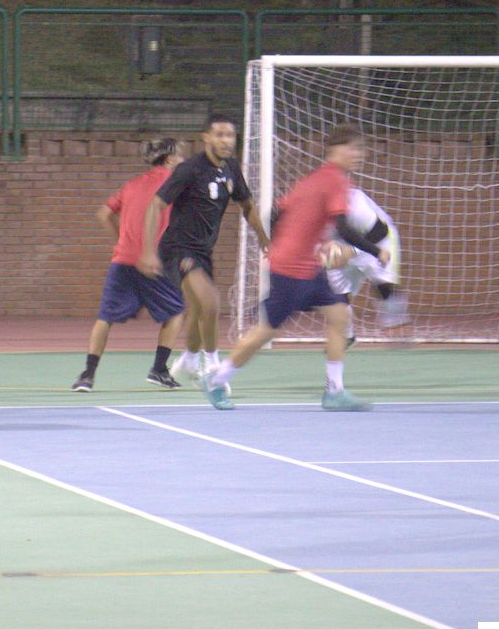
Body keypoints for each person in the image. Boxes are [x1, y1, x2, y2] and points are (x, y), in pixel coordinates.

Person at [202, 124, 390, 411]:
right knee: (266, 331)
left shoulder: (312, 179)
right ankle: (216, 380)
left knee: (340, 314)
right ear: (335, 150)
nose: (359, 154)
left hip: (307, 266)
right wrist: (377, 251)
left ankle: (335, 391)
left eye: (361, 149)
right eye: (353, 149)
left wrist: (288, 243)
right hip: (292, 269)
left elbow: (276, 214)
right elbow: (344, 228)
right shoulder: (335, 181)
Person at [138, 114, 269, 390]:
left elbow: (246, 205)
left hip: (202, 250)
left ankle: (189, 358)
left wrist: (263, 237)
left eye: (230, 135)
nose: (226, 140)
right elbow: (155, 206)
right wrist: (148, 251)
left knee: (199, 308)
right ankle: (212, 367)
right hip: (177, 249)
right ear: (206, 138)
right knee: (210, 302)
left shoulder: (231, 168)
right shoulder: (189, 170)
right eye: (219, 135)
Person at [71, 137, 188, 392]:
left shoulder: (132, 184)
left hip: (123, 259)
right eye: (180, 155)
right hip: (152, 261)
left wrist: (121, 240)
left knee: (105, 318)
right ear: (169, 158)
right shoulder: (174, 184)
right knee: (176, 313)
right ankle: (159, 370)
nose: (183, 160)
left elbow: (104, 213)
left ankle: (87, 375)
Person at [327, 186, 411, 345]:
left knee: (383, 285)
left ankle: (400, 329)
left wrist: (355, 251)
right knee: (337, 295)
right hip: (341, 245)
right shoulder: (311, 210)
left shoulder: (357, 207)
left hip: (378, 240)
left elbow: (380, 232)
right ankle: (348, 336)